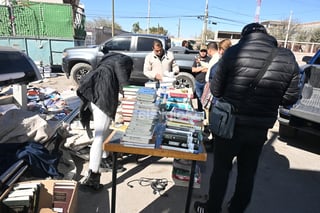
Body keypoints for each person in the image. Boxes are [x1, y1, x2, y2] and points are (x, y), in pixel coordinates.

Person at [194, 23, 300, 213]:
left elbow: (216, 90)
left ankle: (212, 209)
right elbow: (289, 98)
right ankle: (236, 209)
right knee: (247, 174)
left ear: (244, 36)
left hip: (229, 126)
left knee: (221, 171)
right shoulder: (287, 57)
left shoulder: (233, 52)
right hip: (259, 129)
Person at [77, 52, 133, 190]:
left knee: (106, 128)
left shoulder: (108, 57)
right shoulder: (125, 60)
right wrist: (128, 92)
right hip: (102, 96)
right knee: (100, 136)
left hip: (92, 92)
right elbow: (123, 79)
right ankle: (92, 176)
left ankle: (105, 159)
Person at [192, 45, 210, 111]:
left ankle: (204, 111)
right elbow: (193, 70)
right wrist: (202, 68)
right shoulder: (197, 59)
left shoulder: (209, 59)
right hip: (198, 82)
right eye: (202, 51)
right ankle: (199, 110)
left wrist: (199, 69)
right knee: (198, 97)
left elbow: (209, 69)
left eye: (204, 51)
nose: (203, 52)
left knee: (205, 98)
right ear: (199, 52)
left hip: (206, 82)